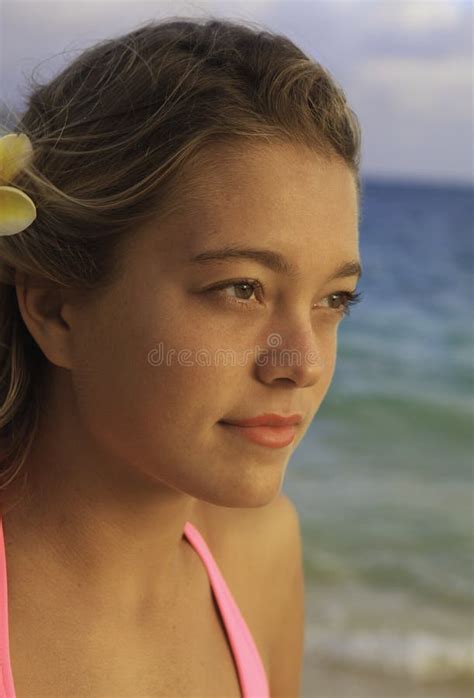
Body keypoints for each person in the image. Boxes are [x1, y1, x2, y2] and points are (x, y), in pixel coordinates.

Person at [0, 15, 362, 698]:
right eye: (241, 289)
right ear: (55, 309)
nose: (303, 362)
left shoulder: (259, 555)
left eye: (335, 298)